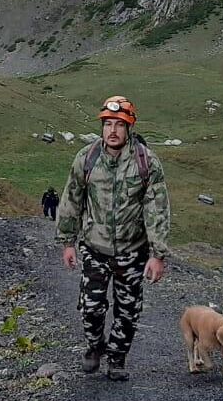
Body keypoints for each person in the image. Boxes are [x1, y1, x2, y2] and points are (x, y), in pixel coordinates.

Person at [55, 95, 170, 381]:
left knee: (128, 311)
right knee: (92, 307)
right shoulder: (87, 157)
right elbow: (71, 199)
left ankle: (117, 359)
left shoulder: (147, 162)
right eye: (108, 124)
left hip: (133, 252)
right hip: (94, 248)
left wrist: (157, 255)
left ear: (129, 127)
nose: (113, 130)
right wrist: (68, 242)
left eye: (119, 124)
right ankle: (94, 347)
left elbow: (157, 209)